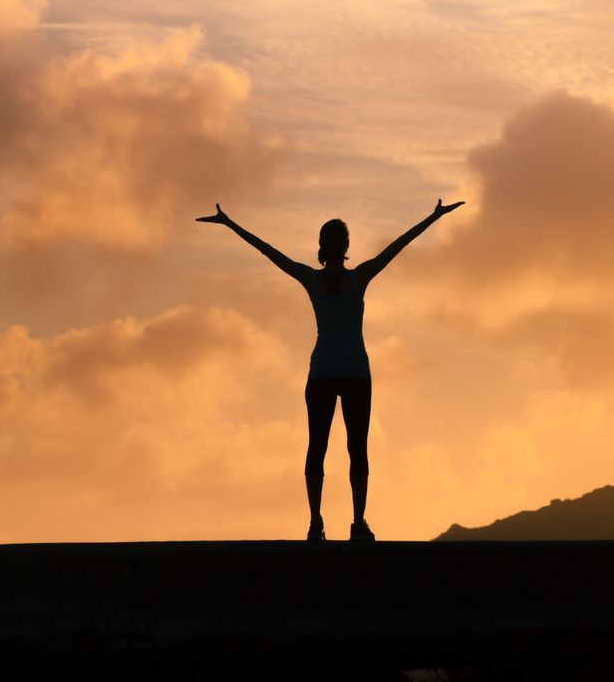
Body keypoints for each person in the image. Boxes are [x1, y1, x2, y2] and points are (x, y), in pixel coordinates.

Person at [196, 198, 465, 541]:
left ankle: (315, 524)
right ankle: (357, 523)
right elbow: (398, 246)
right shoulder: (358, 277)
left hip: (323, 372)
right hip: (354, 372)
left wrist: (231, 224)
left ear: (323, 246)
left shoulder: (313, 278)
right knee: (357, 450)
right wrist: (433, 216)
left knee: (317, 448)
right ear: (346, 246)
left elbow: (270, 252)